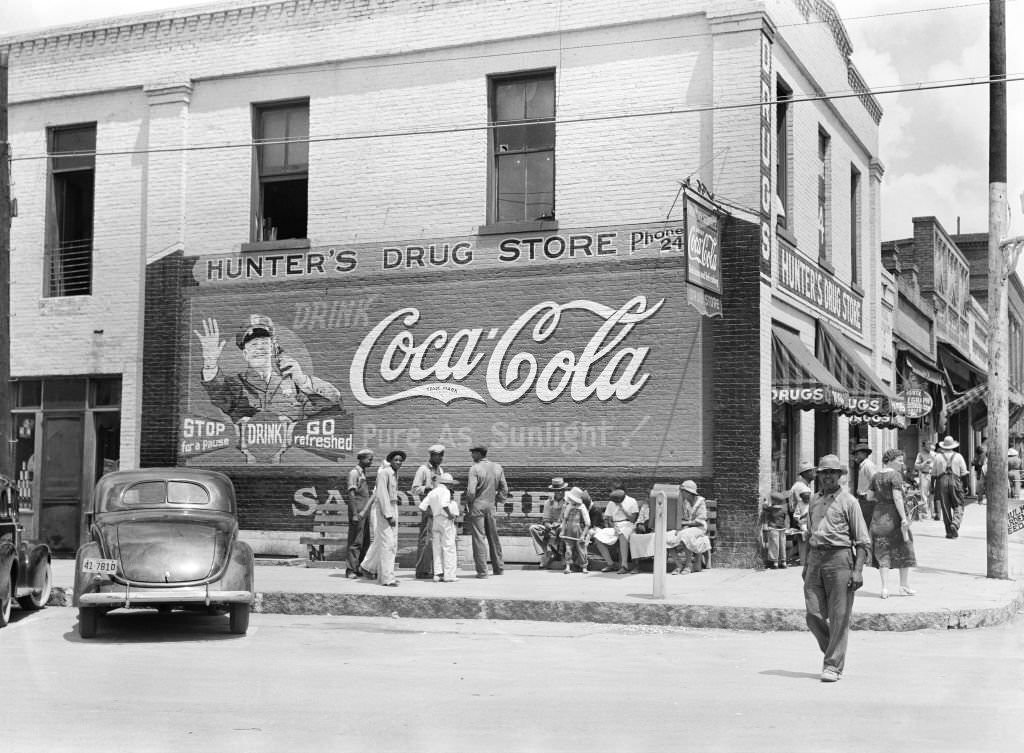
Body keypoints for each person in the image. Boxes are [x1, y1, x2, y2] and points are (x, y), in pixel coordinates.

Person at [194, 315, 342, 423]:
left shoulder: (293, 384)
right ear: (245, 354)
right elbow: (219, 392)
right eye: (253, 344)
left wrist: (303, 381)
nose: (259, 348)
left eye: (264, 342)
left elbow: (333, 403)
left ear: (273, 348)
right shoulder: (235, 385)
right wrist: (210, 363)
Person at [802, 454, 870, 683]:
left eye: (832, 472)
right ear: (818, 475)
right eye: (824, 472)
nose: (828, 476)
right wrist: (806, 564)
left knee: (839, 616)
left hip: (839, 559)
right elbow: (809, 533)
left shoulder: (849, 502)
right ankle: (835, 648)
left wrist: (858, 570)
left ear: (840, 476)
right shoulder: (814, 500)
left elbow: (862, 540)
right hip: (815, 559)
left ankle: (833, 665)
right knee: (813, 615)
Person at [867, 449, 917, 599]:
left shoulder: (876, 476)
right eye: (899, 460)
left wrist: (881, 499)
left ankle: (884, 588)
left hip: (878, 517)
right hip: (893, 517)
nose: (902, 463)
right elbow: (897, 498)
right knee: (905, 548)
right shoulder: (895, 476)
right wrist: (903, 518)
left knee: (883, 552)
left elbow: (869, 496)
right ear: (890, 460)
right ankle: (904, 586)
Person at [362, 449, 405, 587]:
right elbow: (382, 495)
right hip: (385, 510)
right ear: (390, 461)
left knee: (391, 544)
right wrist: (388, 515)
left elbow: (390, 494)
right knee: (388, 544)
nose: (398, 462)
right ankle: (387, 578)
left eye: (400, 460)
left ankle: (384, 575)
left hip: (393, 507)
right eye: (396, 460)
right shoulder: (384, 473)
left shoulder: (393, 473)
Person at [464, 444, 508, 578]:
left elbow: (471, 491)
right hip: (491, 505)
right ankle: (498, 568)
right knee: (493, 537)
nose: (471, 456)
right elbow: (504, 489)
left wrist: (468, 503)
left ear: (479, 454)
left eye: (473, 453)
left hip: (477, 505)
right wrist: (498, 499)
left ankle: (483, 572)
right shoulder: (497, 467)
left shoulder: (474, 468)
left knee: (479, 538)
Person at [411, 444, 446, 580]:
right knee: (426, 539)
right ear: (432, 455)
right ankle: (421, 571)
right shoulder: (423, 469)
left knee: (436, 540)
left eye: (442, 455)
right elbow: (414, 488)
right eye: (439, 455)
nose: (441, 458)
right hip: (428, 508)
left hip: (439, 509)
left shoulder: (441, 470)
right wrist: (428, 488)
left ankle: (431, 569)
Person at [419, 472, 461, 583]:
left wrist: (433, 512)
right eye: (451, 484)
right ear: (448, 484)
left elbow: (422, 507)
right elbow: (444, 504)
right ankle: (449, 575)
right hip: (445, 520)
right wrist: (450, 515)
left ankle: (438, 574)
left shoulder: (433, 492)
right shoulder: (446, 491)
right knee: (449, 547)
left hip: (436, 520)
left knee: (436, 547)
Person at [668, 480, 712, 574]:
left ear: (688, 493)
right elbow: (681, 517)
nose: (680, 493)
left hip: (699, 528)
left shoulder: (700, 502)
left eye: (682, 491)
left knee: (685, 535)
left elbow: (700, 520)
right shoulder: (683, 502)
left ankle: (688, 565)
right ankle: (679, 564)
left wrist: (684, 525)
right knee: (668, 536)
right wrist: (681, 526)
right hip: (686, 527)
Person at [344, 448, 375, 579]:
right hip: (357, 513)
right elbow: (351, 495)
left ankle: (359, 568)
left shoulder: (363, 473)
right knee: (355, 541)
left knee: (365, 541)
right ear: (362, 459)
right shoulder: (354, 473)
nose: (371, 462)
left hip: (364, 513)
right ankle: (350, 569)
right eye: (369, 459)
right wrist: (355, 514)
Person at [593, 487, 639, 573]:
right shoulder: (612, 502)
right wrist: (613, 526)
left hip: (628, 525)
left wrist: (622, 508)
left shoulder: (632, 501)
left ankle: (624, 566)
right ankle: (610, 564)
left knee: (622, 534)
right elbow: (608, 518)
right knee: (597, 537)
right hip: (615, 525)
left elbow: (633, 519)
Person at [529, 477, 570, 569]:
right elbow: (546, 519)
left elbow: (569, 519)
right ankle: (546, 553)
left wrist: (559, 524)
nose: (559, 492)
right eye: (557, 490)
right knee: (533, 528)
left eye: (561, 490)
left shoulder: (568, 502)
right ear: (553, 491)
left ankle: (563, 555)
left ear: (564, 490)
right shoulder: (548, 502)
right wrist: (549, 526)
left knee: (562, 527)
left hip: (564, 527)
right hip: (552, 528)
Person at [932, 435, 968, 539]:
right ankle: (955, 523)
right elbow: (964, 473)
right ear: (953, 446)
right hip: (955, 481)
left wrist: (932, 487)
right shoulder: (959, 456)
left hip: (941, 482)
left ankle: (949, 532)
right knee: (959, 504)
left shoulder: (938, 457)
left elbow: (933, 475)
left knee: (945, 506)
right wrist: (966, 486)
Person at [788, 462, 816, 567]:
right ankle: (801, 561)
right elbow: (808, 499)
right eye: (811, 471)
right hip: (803, 519)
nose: (814, 473)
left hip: (803, 519)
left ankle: (800, 560)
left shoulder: (802, 485)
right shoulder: (801, 487)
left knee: (805, 541)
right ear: (805, 473)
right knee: (806, 540)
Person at [559, 487, 591, 574]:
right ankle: (568, 566)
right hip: (568, 529)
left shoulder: (582, 507)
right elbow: (565, 519)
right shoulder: (569, 506)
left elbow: (588, 523)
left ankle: (584, 566)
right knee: (568, 548)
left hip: (578, 529)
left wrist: (583, 535)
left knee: (581, 548)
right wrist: (562, 531)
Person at [761, 490, 791, 569]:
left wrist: (765, 501)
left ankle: (775, 563)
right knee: (782, 545)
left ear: (774, 501)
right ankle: (784, 562)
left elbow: (764, 507)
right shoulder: (784, 509)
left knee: (774, 545)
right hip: (782, 528)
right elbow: (785, 518)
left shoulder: (771, 509)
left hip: (773, 529)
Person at [851, 443, 877, 528]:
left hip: (867, 500)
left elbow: (875, 481)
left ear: (864, 454)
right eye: (855, 454)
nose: (855, 457)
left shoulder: (868, 465)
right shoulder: (863, 465)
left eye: (857, 454)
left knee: (866, 525)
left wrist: (869, 495)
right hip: (863, 500)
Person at [913, 440, 936, 519]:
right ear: (924, 445)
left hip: (933, 475)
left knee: (933, 494)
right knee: (924, 495)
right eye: (928, 444)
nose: (930, 445)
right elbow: (916, 466)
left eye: (931, 444)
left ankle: (934, 513)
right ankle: (925, 513)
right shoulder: (920, 454)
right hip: (924, 475)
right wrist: (925, 463)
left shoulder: (934, 454)